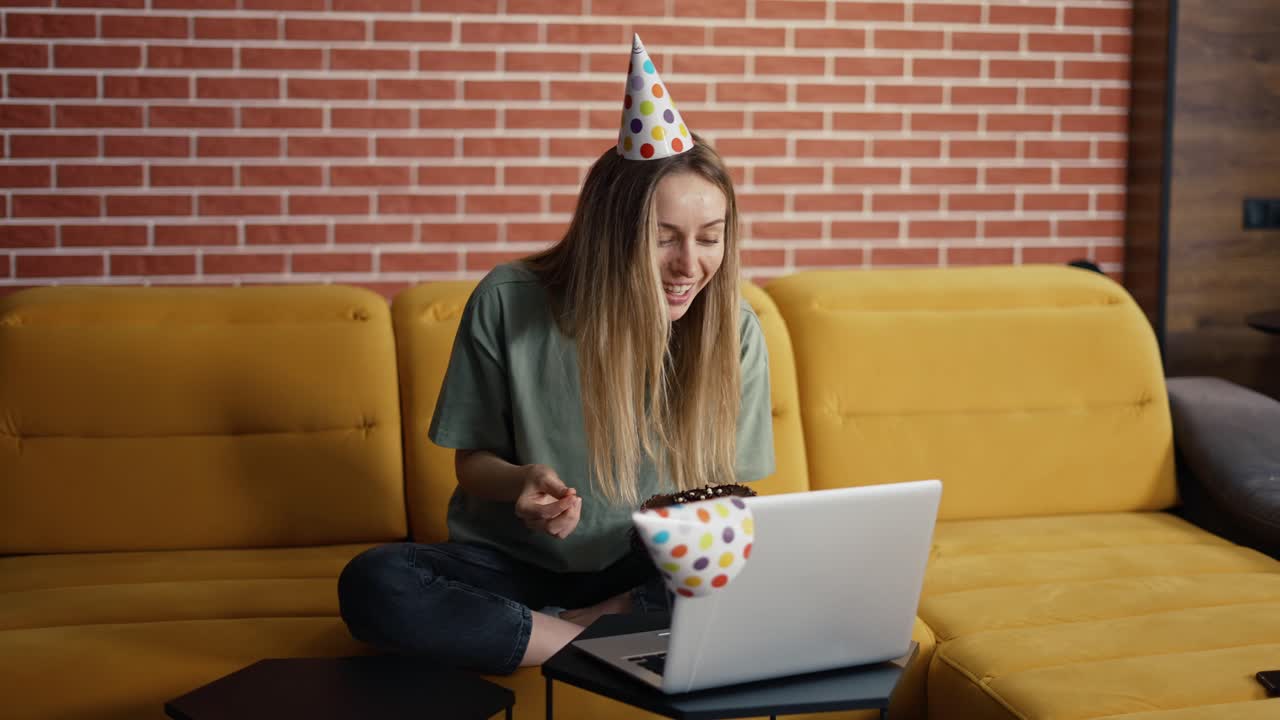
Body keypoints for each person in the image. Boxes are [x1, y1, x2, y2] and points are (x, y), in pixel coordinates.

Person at [337, 35, 775, 675]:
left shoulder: (732, 329)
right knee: (376, 582)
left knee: (760, 569)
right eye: (663, 240)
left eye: (710, 239)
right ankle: (593, 645)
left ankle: (549, 637)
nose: (690, 266)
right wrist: (518, 481)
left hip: (642, 571)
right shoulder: (509, 301)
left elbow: (736, 507)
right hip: (513, 568)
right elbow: (472, 463)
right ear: (610, 234)